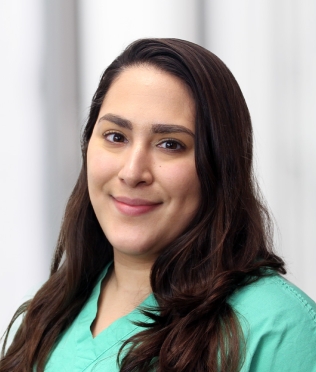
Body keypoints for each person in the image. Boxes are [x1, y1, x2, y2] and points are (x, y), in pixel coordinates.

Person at [1, 38, 316, 372]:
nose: (133, 172)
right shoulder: (48, 312)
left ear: (220, 167)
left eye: (170, 144)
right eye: (116, 137)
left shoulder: (278, 329)